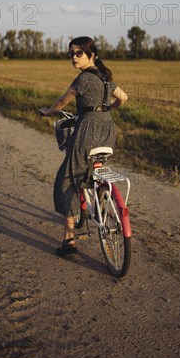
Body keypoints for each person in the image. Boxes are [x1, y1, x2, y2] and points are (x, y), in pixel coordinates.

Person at [39, 36, 128, 256]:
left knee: (66, 180)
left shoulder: (84, 79)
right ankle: (92, 202)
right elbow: (123, 98)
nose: (73, 57)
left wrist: (48, 111)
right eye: (71, 53)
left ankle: (69, 239)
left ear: (92, 55)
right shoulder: (105, 78)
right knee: (88, 168)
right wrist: (106, 109)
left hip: (87, 130)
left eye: (79, 53)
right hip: (107, 131)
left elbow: (62, 102)